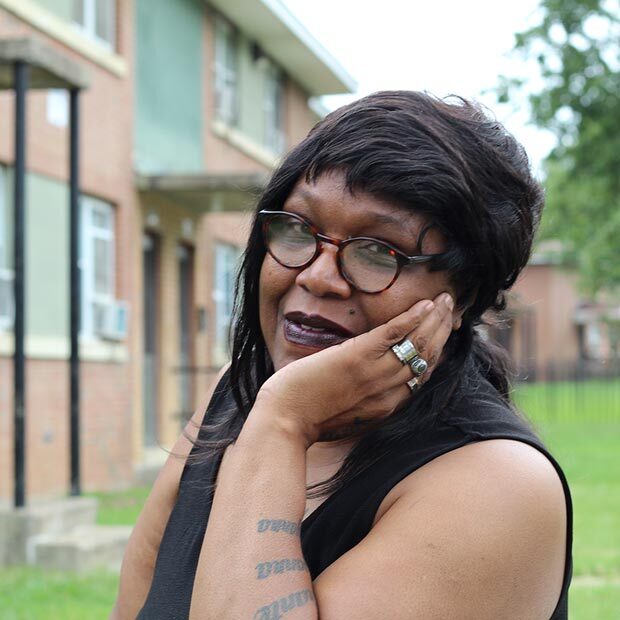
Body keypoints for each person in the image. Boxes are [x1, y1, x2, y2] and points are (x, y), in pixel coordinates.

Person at [111, 91, 572, 620]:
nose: (317, 275)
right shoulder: (233, 394)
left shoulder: (496, 487)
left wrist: (282, 424)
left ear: (462, 296)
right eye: (297, 228)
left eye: (379, 252)